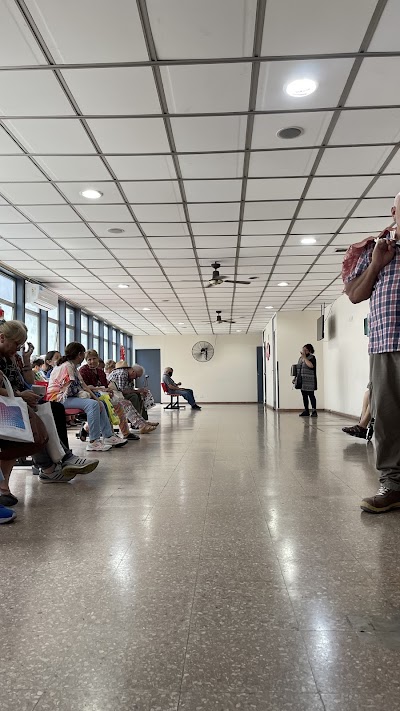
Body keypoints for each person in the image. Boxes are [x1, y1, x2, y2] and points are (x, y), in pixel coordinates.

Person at [344, 191, 400, 513]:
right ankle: (393, 486)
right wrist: (378, 263)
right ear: (394, 211)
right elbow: (354, 294)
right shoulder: (374, 250)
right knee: (389, 419)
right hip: (387, 344)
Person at [0, 321, 99, 498]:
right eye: (16, 344)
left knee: (52, 409)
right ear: (2, 338)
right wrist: (20, 396)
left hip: (15, 401)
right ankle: (55, 464)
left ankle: (54, 464)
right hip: (9, 403)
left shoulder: (11, 357)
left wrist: (25, 360)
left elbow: (28, 380)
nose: (17, 349)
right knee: (38, 416)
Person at [48, 343, 127, 452]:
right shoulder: (67, 366)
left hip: (66, 397)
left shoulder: (72, 366)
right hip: (57, 398)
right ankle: (93, 442)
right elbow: (70, 389)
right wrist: (93, 397)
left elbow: (83, 385)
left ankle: (108, 436)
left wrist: (96, 398)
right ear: (80, 354)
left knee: (100, 403)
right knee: (93, 404)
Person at [79, 349, 142, 440]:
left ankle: (126, 433)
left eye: (94, 358)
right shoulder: (83, 370)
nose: (92, 361)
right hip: (90, 396)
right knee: (107, 408)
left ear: (98, 358)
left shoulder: (100, 371)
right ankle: (109, 434)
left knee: (119, 406)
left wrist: (108, 391)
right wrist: (100, 389)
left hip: (102, 395)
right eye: (89, 359)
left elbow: (105, 385)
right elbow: (85, 387)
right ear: (86, 361)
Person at [107, 361, 159, 431]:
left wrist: (140, 391)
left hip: (118, 393)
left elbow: (130, 389)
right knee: (134, 397)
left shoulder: (129, 375)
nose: (136, 378)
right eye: (137, 376)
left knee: (139, 395)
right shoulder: (122, 373)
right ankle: (136, 424)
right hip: (113, 394)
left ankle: (142, 421)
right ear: (133, 372)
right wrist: (138, 391)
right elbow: (122, 390)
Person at [294, 345, 318, 418]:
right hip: (302, 380)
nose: (303, 351)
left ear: (309, 351)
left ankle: (314, 410)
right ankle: (306, 410)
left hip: (310, 380)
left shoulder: (312, 358)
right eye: (303, 349)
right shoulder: (300, 359)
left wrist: (304, 358)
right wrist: (295, 378)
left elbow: (311, 366)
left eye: (305, 350)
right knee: (304, 395)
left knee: (311, 395)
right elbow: (299, 368)